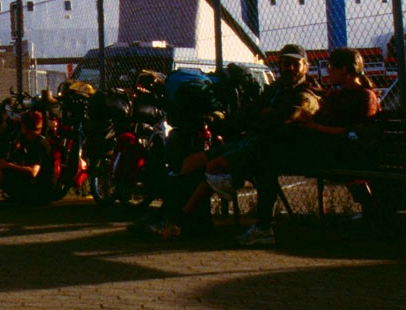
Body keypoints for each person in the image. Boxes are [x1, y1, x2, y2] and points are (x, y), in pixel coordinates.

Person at [131, 43, 321, 241]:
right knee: (192, 162)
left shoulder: (307, 93)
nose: (289, 68)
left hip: (273, 148)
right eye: (285, 63)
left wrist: (265, 114)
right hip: (250, 141)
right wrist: (246, 116)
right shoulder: (275, 90)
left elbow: (288, 116)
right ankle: (167, 215)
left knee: (215, 167)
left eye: (294, 64)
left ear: (305, 66)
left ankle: (177, 220)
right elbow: (250, 113)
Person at [230, 46, 381, 247]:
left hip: (346, 154)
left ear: (345, 70)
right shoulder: (336, 95)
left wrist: (315, 126)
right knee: (269, 152)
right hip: (326, 149)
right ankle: (260, 222)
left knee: (269, 149)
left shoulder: (365, 96)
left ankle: (239, 183)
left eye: (332, 68)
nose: (328, 72)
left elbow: (357, 133)